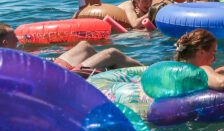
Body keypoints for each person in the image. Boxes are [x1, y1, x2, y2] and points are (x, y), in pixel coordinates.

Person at [0, 23, 142, 76]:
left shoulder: (9, 55)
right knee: (111, 53)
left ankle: (108, 73)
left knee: (84, 46)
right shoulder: (6, 63)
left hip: (53, 67)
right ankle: (149, 72)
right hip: (59, 78)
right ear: (5, 43)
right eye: (14, 39)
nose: (18, 41)